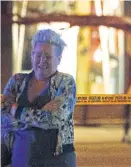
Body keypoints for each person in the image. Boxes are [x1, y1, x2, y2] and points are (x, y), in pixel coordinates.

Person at [1, 29, 77, 167]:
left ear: (59, 59)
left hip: (57, 162)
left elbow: (53, 119)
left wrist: (16, 111)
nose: (42, 61)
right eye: (38, 55)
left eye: (48, 56)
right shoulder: (17, 81)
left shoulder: (66, 82)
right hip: (21, 160)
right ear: (32, 55)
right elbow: (3, 119)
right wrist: (40, 114)